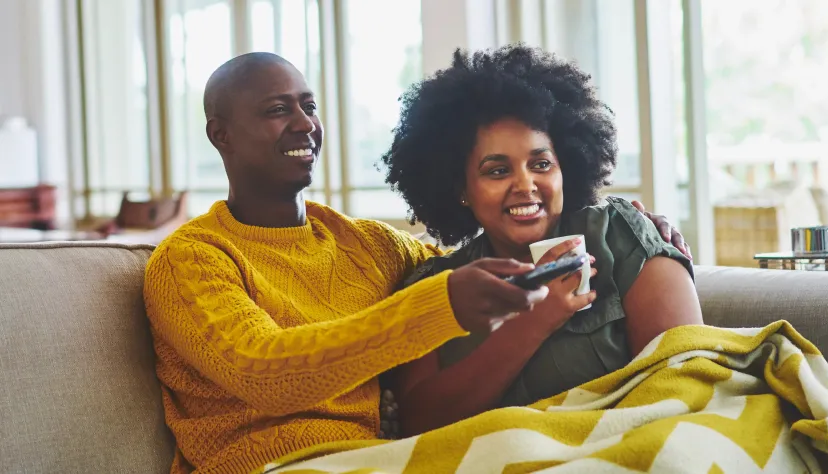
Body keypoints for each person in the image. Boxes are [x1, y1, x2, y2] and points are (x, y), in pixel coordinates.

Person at [142, 51, 689, 473]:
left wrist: (636, 229)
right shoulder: (191, 259)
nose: (304, 124)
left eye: (309, 106)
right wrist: (443, 305)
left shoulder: (369, 246)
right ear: (221, 134)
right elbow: (267, 373)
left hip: (388, 459)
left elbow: (464, 262)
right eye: (277, 110)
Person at [380, 45, 704, 436]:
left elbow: (687, 383)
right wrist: (535, 320)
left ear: (566, 168)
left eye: (541, 164)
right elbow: (420, 425)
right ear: (460, 189)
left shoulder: (620, 235)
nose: (525, 185)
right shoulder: (433, 288)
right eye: (497, 170)